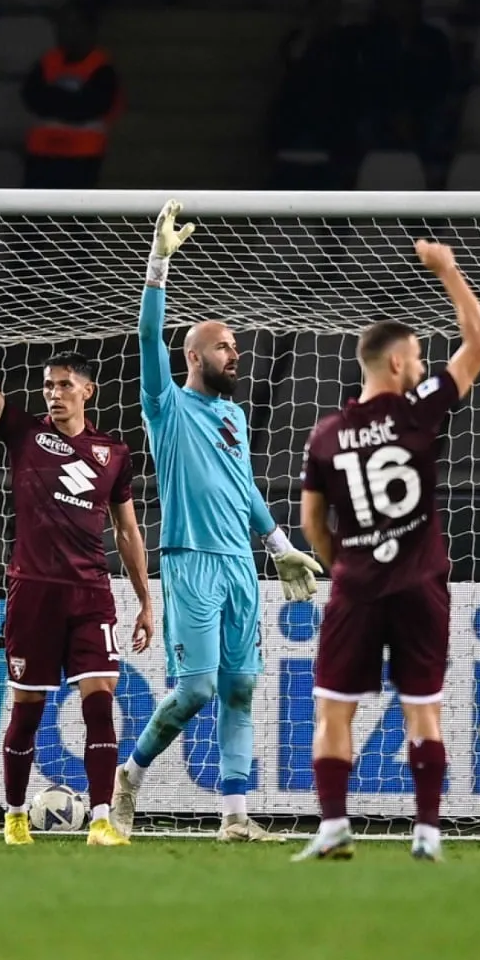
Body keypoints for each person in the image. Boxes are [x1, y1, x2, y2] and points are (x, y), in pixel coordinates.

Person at [112, 202, 322, 843]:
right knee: (197, 687)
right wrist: (158, 265)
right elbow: (150, 339)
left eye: (235, 344)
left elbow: (244, 487)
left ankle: (234, 816)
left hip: (238, 564)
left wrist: (279, 544)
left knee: (239, 689)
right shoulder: (166, 405)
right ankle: (130, 776)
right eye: (225, 346)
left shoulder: (235, 419)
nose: (237, 352)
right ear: (197, 355)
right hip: (188, 559)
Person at [0, 257, 151, 848]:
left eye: (63, 385)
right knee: (28, 708)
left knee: (100, 705)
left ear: (88, 390)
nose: (53, 394)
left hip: (90, 592)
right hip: (32, 589)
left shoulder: (114, 454)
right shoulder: (25, 434)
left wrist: (145, 601)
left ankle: (103, 818)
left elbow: (128, 531)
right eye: (47, 386)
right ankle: (12, 814)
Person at [294, 240, 480, 863]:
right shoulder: (418, 409)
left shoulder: (326, 433)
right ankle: (428, 833)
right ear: (399, 363)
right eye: (416, 357)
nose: (421, 364)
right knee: (422, 710)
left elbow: (311, 524)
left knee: (333, 710)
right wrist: (448, 270)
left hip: (356, 583)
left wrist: (350, 563)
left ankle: (333, 827)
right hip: (420, 581)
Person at [21, 9, 122, 190]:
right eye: (65, 26)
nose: (69, 32)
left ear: (90, 30)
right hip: (42, 152)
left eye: (76, 26)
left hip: (82, 154)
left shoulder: (102, 68)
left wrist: (54, 98)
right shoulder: (48, 61)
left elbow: (92, 106)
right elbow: (32, 96)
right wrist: (70, 100)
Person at [271, 0, 359, 190]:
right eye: (321, 11)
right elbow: (290, 62)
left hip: (333, 128)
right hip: (295, 125)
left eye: (332, 11)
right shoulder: (296, 39)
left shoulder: (346, 41)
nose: (326, 17)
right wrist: (308, 33)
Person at [354, 0, 452, 156]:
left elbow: (441, 80)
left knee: (437, 123)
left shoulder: (434, 39)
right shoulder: (374, 38)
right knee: (365, 125)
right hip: (384, 109)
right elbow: (373, 79)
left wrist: (412, 112)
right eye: (388, 2)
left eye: (396, 0)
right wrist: (395, 113)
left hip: (424, 109)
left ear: (413, 3)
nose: (390, 6)